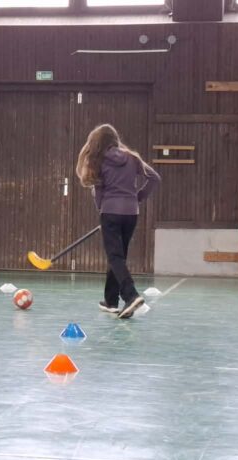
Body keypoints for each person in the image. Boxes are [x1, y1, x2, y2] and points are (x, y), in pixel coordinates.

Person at [76, 124, 161, 319]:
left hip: (110, 212)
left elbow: (99, 194)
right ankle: (111, 300)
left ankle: (131, 295)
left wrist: (103, 213)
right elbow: (155, 178)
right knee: (118, 256)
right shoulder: (132, 158)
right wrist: (137, 197)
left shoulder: (98, 161)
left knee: (115, 256)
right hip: (131, 213)